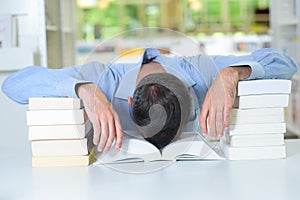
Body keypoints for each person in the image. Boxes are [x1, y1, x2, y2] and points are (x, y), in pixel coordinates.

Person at [2, 47, 298, 153]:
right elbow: (13, 84)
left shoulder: (205, 71)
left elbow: (286, 63)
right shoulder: (101, 78)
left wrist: (232, 74)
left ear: (191, 93)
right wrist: (83, 89)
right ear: (128, 102)